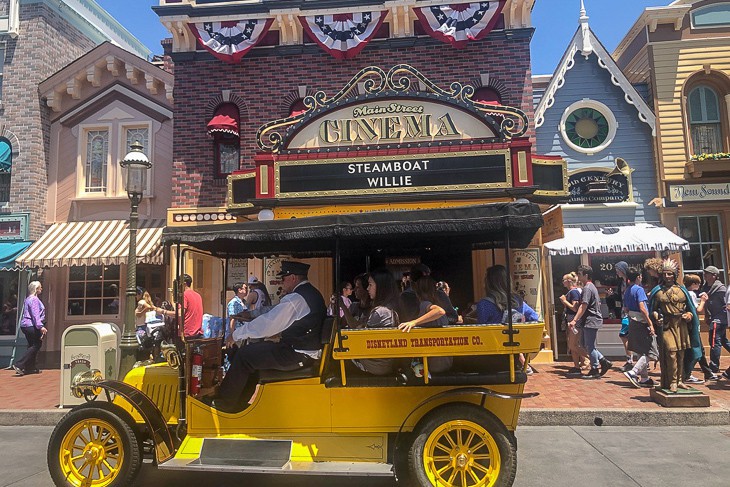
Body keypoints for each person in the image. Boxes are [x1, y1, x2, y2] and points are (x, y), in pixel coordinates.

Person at [212, 261, 326, 412]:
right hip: (301, 351)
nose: (281, 282)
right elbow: (275, 312)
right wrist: (250, 314)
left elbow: (269, 324)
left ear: (293, 278)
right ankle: (238, 405)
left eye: (283, 278)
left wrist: (236, 334)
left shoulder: (296, 299)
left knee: (244, 355)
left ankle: (224, 404)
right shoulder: (310, 293)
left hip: (297, 354)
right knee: (252, 355)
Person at [649, 259, 701, 392]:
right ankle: (671, 381)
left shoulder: (682, 290)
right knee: (671, 352)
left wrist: (689, 315)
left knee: (681, 354)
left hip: (681, 325)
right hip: (667, 325)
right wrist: (656, 317)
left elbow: (691, 309)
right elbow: (653, 309)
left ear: (674, 275)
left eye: (670, 274)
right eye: (665, 274)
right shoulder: (658, 291)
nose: (667, 277)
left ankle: (680, 380)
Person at [476, 265, 539, 374]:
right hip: (513, 354)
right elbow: (534, 317)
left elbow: (482, 331)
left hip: (491, 355)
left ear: (488, 283)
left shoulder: (484, 304)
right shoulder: (517, 301)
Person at [399, 275, 452, 375]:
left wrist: (414, 322)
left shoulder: (424, 304)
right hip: (446, 361)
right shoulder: (439, 303)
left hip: (434, 364)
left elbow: (439, 311)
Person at [353, 268, 401, 376]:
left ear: (381, 287)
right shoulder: (392, 306)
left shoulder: (380, 312)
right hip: (387, 363)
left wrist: (360, 328)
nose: (367, 288)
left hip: (375, 366)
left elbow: (361, 339)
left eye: (370, 284)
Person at [569, 265, 613, 379]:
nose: (578, 276)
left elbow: (584, 306)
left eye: (580, 274)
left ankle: (595, 369)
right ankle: (603, 361)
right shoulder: (589, 287)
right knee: (584, 344)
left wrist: (574, 320)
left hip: (591, 320)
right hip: (588, 320)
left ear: (586, 275)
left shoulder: (588, 288)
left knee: (590, 346)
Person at [622, 270, 657, 388]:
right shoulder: (639, 289)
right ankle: (633, 372)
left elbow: (626, 308)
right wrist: (650, 323)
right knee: (651, 352)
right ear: (638, 277)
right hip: (641, 322)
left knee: (640, 351)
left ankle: (644, 378)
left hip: (632, 321)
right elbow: (642, 308)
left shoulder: (627, 291)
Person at [683, 274, 718, 382]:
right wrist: (703, 300)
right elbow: (697, 310)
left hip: (690, 325)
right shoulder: (691, 294)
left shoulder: (685, 293)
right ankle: (687, 374)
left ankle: (707, 372)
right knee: (697, 350)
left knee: (700, 350)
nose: (699, 285)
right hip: (693, 325)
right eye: (698, 283)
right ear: (693, 284)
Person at [13, 281, 46, 376]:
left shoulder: (28, 299)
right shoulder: (34, 299)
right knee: (36, 345)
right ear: (36, 289)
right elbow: (35, 315)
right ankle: (20, 364)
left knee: (32, 345)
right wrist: (41, 326)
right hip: (31, 325)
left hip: (25, 325)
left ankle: (30, 367)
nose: (41, 289)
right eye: (40, 287)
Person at [155, 274, 203, 339]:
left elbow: (180, 314)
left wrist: (163, 311)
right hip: (197, 333)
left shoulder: (184, 295)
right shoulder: (198, 295)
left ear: (184, 284)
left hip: (187, 334)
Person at [701, 265, 730, 374]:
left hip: (718, 320)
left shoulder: (721, 289)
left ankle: (713, 366)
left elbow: (726, 304)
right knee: (723, 341)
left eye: (707, 273)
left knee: (714, 342)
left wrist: (722, 317)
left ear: (714, 275)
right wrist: (707, 315)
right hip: (712, 317)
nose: (705, 275)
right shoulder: (705, 287)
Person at [559, 272, 588, 375]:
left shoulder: (574, 292)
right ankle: (576, 366)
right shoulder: (571, 292)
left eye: (564, 280)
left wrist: (564, 301)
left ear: (569, 281)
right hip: (571, 320)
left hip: (574, 320)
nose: (562, 283)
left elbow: (575, 308)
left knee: (573, 344)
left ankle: (590, 358)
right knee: (572, 344)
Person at [613, 261, 634, 372]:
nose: (616, 272)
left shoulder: (629, 282)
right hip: (624, 311)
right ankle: (636, 359)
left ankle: (631, 361)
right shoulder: (621, 282)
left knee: (624, 335)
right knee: (628, 336)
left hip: (630, 312)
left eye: (618, 270)